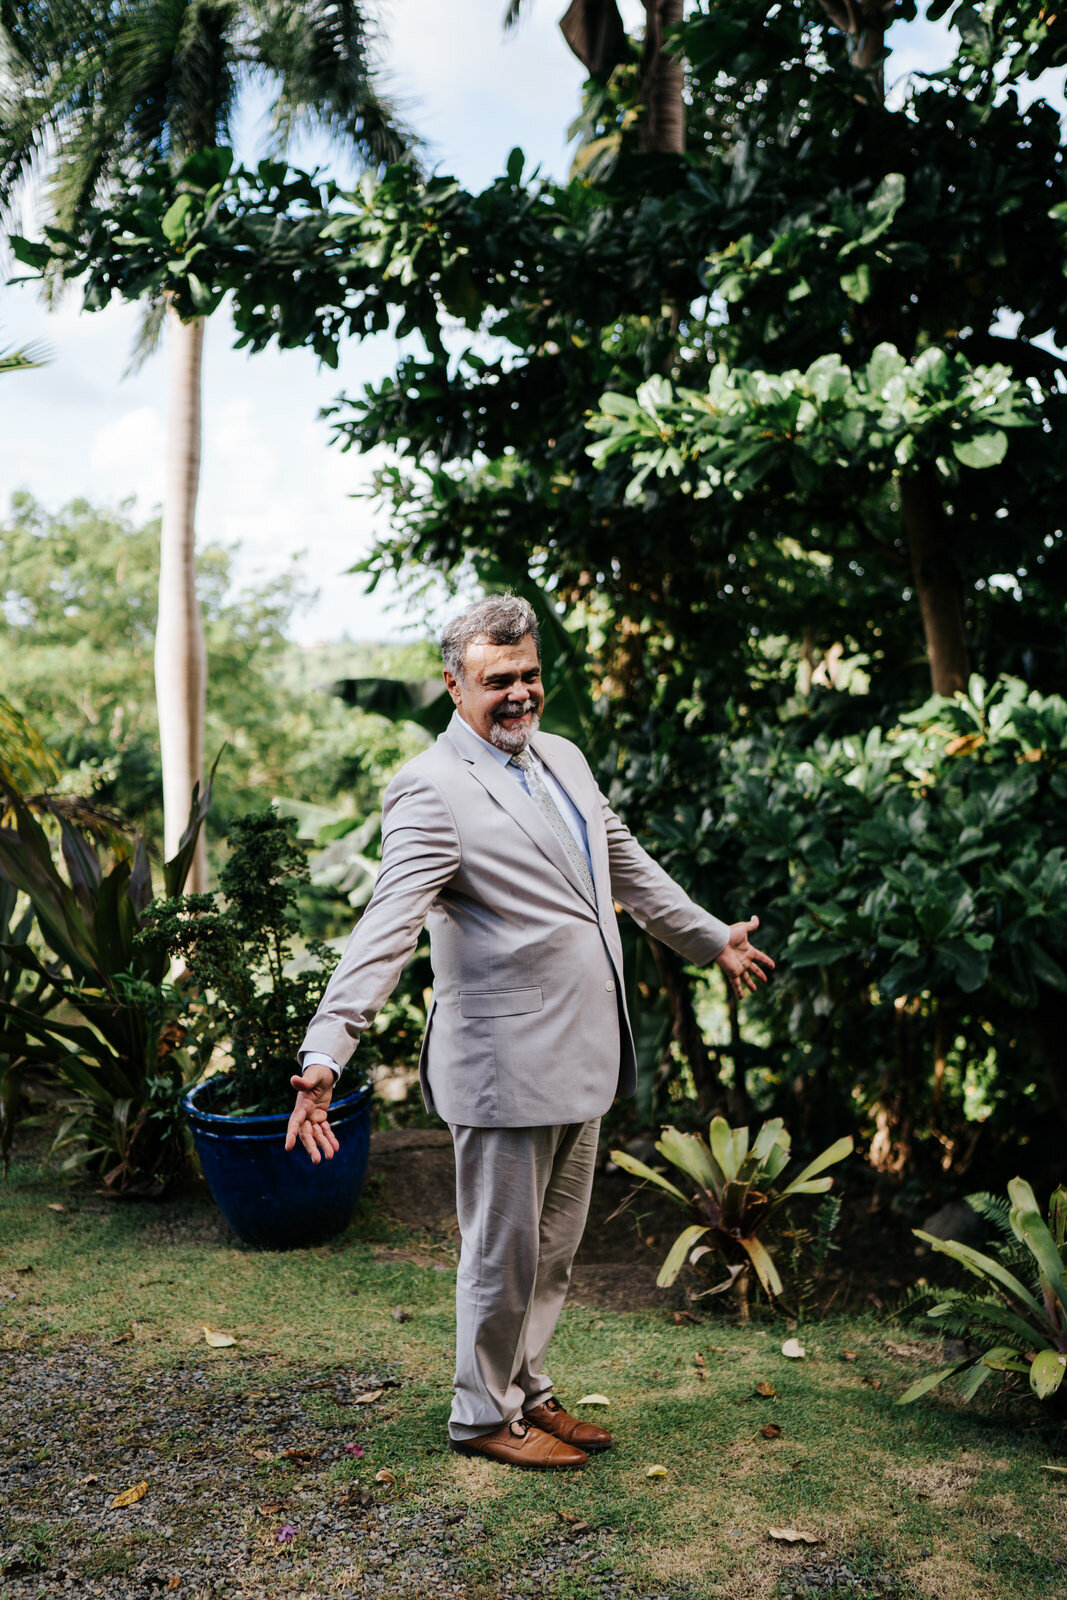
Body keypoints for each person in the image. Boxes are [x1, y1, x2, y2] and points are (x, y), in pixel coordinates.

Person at [286, 595, 773, 1471]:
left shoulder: (563, 757)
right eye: (495, 680)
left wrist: (708, 936)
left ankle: (527, 1392)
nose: (517, 694)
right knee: (500, 1253)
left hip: (579, 1053)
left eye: (527, 675)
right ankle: (480, 1414)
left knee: (551, 1249)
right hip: (502, 1064)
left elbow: (620, 861)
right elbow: (387, 925)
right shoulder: (428, 788)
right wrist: (329, 1048)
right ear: (453, 684)